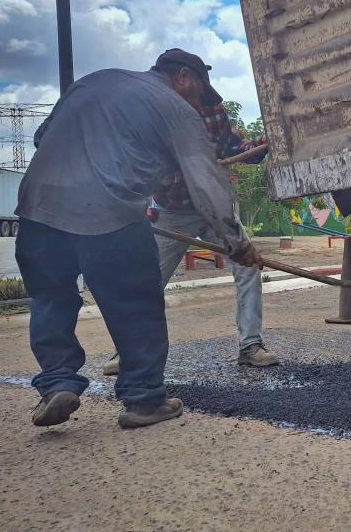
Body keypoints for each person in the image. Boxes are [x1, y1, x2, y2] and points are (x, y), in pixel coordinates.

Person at [16, 49, 262, 429]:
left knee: (51, 299)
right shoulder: (177, 109)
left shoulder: (95, 80)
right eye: (199, 92)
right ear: (183, 77)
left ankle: (58, 383)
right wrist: (236, 241)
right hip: (110, 212)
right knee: (137, 304)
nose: (200, 104)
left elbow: (41, 137)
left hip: (38, 210)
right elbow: (205, 180)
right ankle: (144, 399)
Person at [102, 97, 279, 375]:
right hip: (172, 211)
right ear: (182, 78)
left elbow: (232, 147)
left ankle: (251, 347)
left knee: (248, 267)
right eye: (200, 82)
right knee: (147, 282)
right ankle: (128, 352)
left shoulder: (212, 109)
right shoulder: (153, 114)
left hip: (213, 208)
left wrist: (259, 145)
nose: (207, 91)